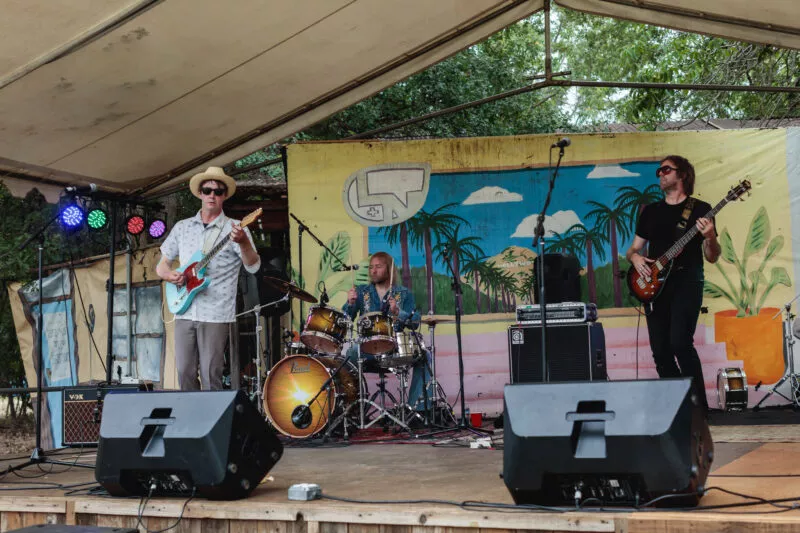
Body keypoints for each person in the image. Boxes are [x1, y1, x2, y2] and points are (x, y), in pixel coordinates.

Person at [625, 155, 721, 411]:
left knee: (680, 342)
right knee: (661, 351)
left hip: (687, 281)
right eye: (658, 171)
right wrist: (635, 258)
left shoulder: (701, 209)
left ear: (683, 174)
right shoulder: (651, 212)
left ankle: (699, 410)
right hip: (655, 287)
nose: (660, 174)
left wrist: (710, 236)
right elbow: (633, 249)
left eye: (666, 170)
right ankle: (678, 409)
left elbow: (712, 257)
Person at [156, 166, 261, 391]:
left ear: (224, 196)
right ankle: (190, 424)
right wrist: (169, 275)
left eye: (218, 191)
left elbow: (253, 265)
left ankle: (213, 425)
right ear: (200, 193)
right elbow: (161, 265)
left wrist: (242, 241)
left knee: (211, 374)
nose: (212, 194)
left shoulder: (235, 228)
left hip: (215, 312)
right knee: (184, 372)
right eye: (207, 190)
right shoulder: (182, 227)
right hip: (184, 309)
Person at [342, 252, 433, 418]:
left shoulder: (403, 293)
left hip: (394, 350)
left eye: (378, 266)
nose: (373, 271)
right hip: (367, 350)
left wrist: (398, 311)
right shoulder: (362, 292)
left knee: (425, 355)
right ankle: (350, 410)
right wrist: (350, 303)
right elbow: (345, 319)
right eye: (371, 267)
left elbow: (415, 322)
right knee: (349, 356)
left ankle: (414, 411)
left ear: (389, 269)